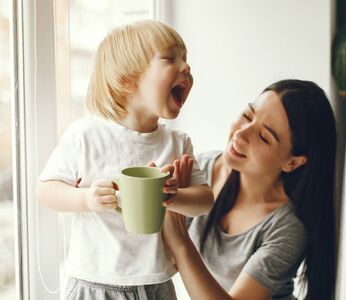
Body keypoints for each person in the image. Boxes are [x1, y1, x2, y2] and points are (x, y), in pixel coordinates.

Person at [36, 20, 214, 299]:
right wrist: (86, 200)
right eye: (170, 58)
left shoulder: (178, 143)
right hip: (92, 284)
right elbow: (46, 191)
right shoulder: (87, 134)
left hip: (156, 284)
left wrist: (174, 196)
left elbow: (205, 200)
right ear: (127, 80)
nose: (186, 67)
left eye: (185, 58)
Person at [162, 79, 337, 300]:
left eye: (264, 137)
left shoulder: (287, 226)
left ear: (292, 162)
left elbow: (176, 241)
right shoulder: (202, 171)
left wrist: (180, 241)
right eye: (247, 115)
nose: (241, 134)